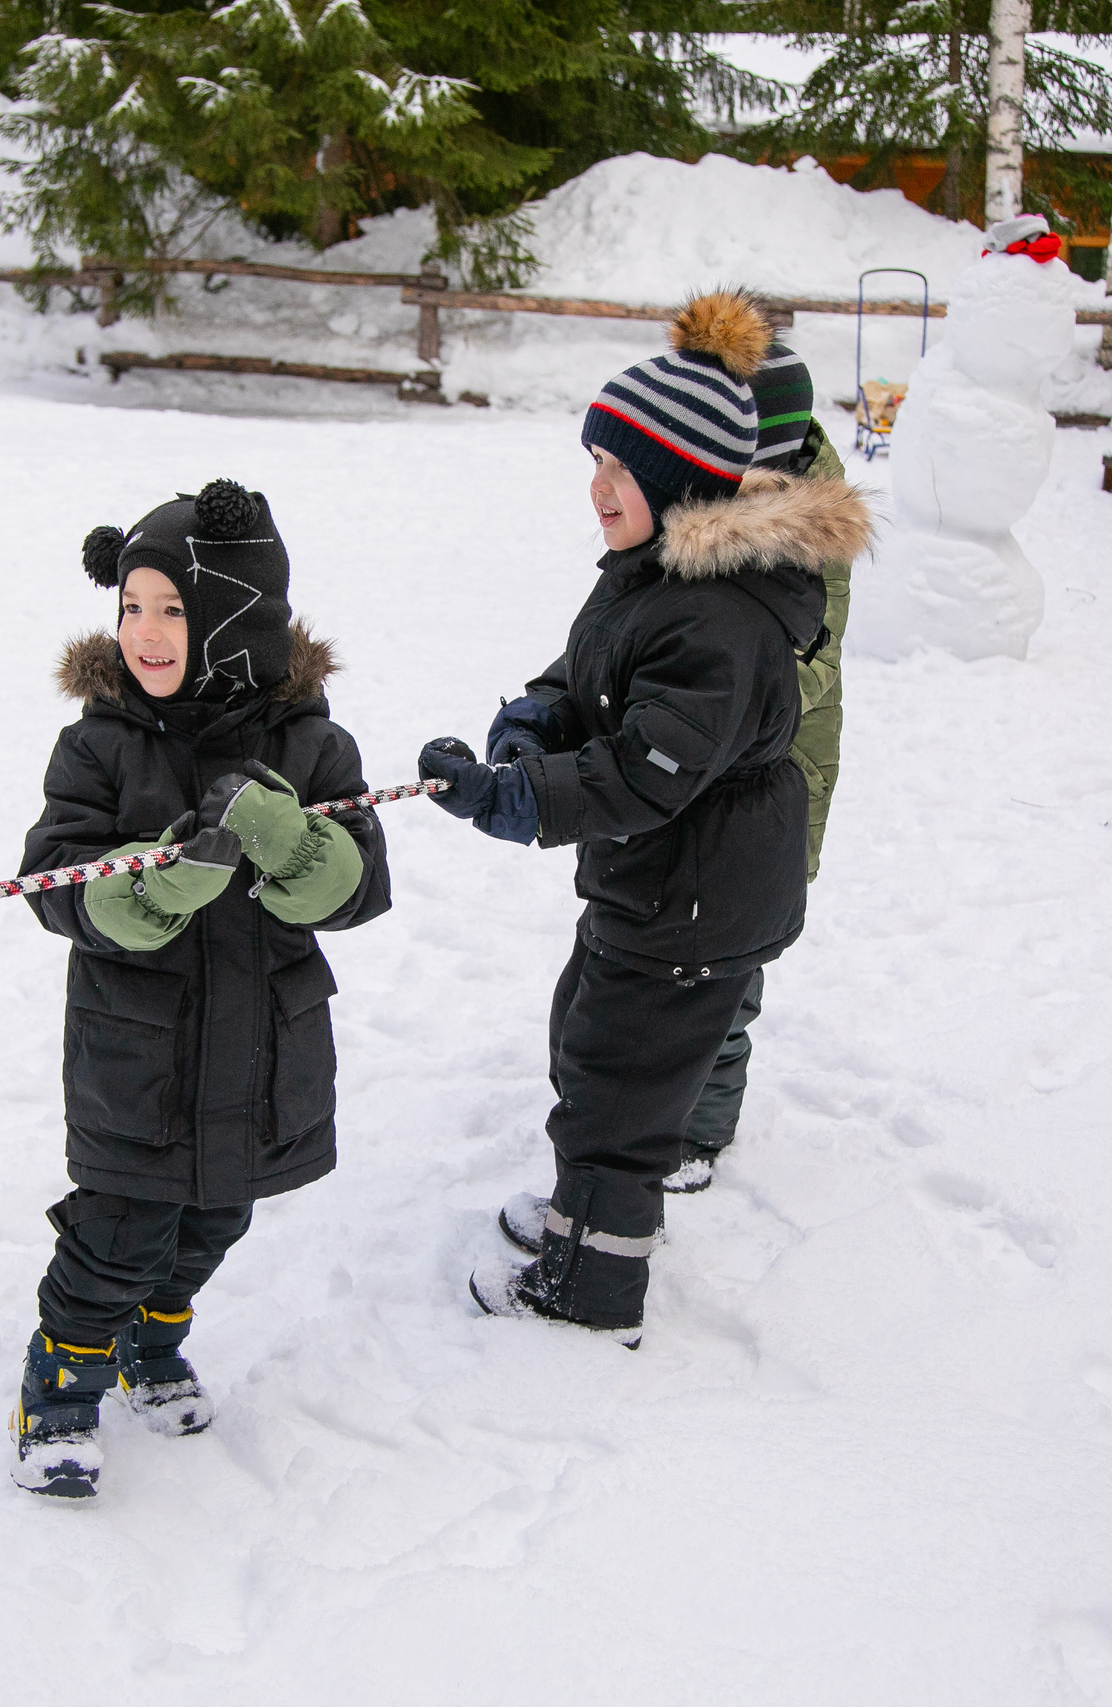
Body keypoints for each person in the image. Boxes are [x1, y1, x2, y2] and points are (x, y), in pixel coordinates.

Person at [419, 292, 871, 1345]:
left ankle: (592, 1289)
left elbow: (647, 767)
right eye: (595, 460)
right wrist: (536, 717)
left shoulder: (716, 618)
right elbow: (598, 676)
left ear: (675, 484)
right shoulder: (651, 576)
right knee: (588, 1049)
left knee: (617, 1099)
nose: (595, 486)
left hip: (693, 900)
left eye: (617, 470)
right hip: (657, 886)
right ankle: (583, 1221)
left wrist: (518, 798)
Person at [12, 477, 392, 1499]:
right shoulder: (99, 742)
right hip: (138, 1045)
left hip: (263, 1041)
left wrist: (294, 841)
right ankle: (61, 1378)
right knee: (119, 1228)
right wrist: (141, 887)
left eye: (171, 607)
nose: (144, 630)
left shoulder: (313, 743)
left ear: (235, 612)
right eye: (130, 605)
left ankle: (156, 1332)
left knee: (219, 1215)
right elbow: (52, 879)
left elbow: (362, 887)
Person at [489, 326, 861, 1198]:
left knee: (717, 984)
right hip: (681, 800)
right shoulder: (684, 536)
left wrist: (642, 739)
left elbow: (744, 687)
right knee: (643, 980)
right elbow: (613, 641)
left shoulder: (771, 551)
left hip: (756, 792)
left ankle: (693, 1128)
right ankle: (647, 1115)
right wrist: (551, 707)